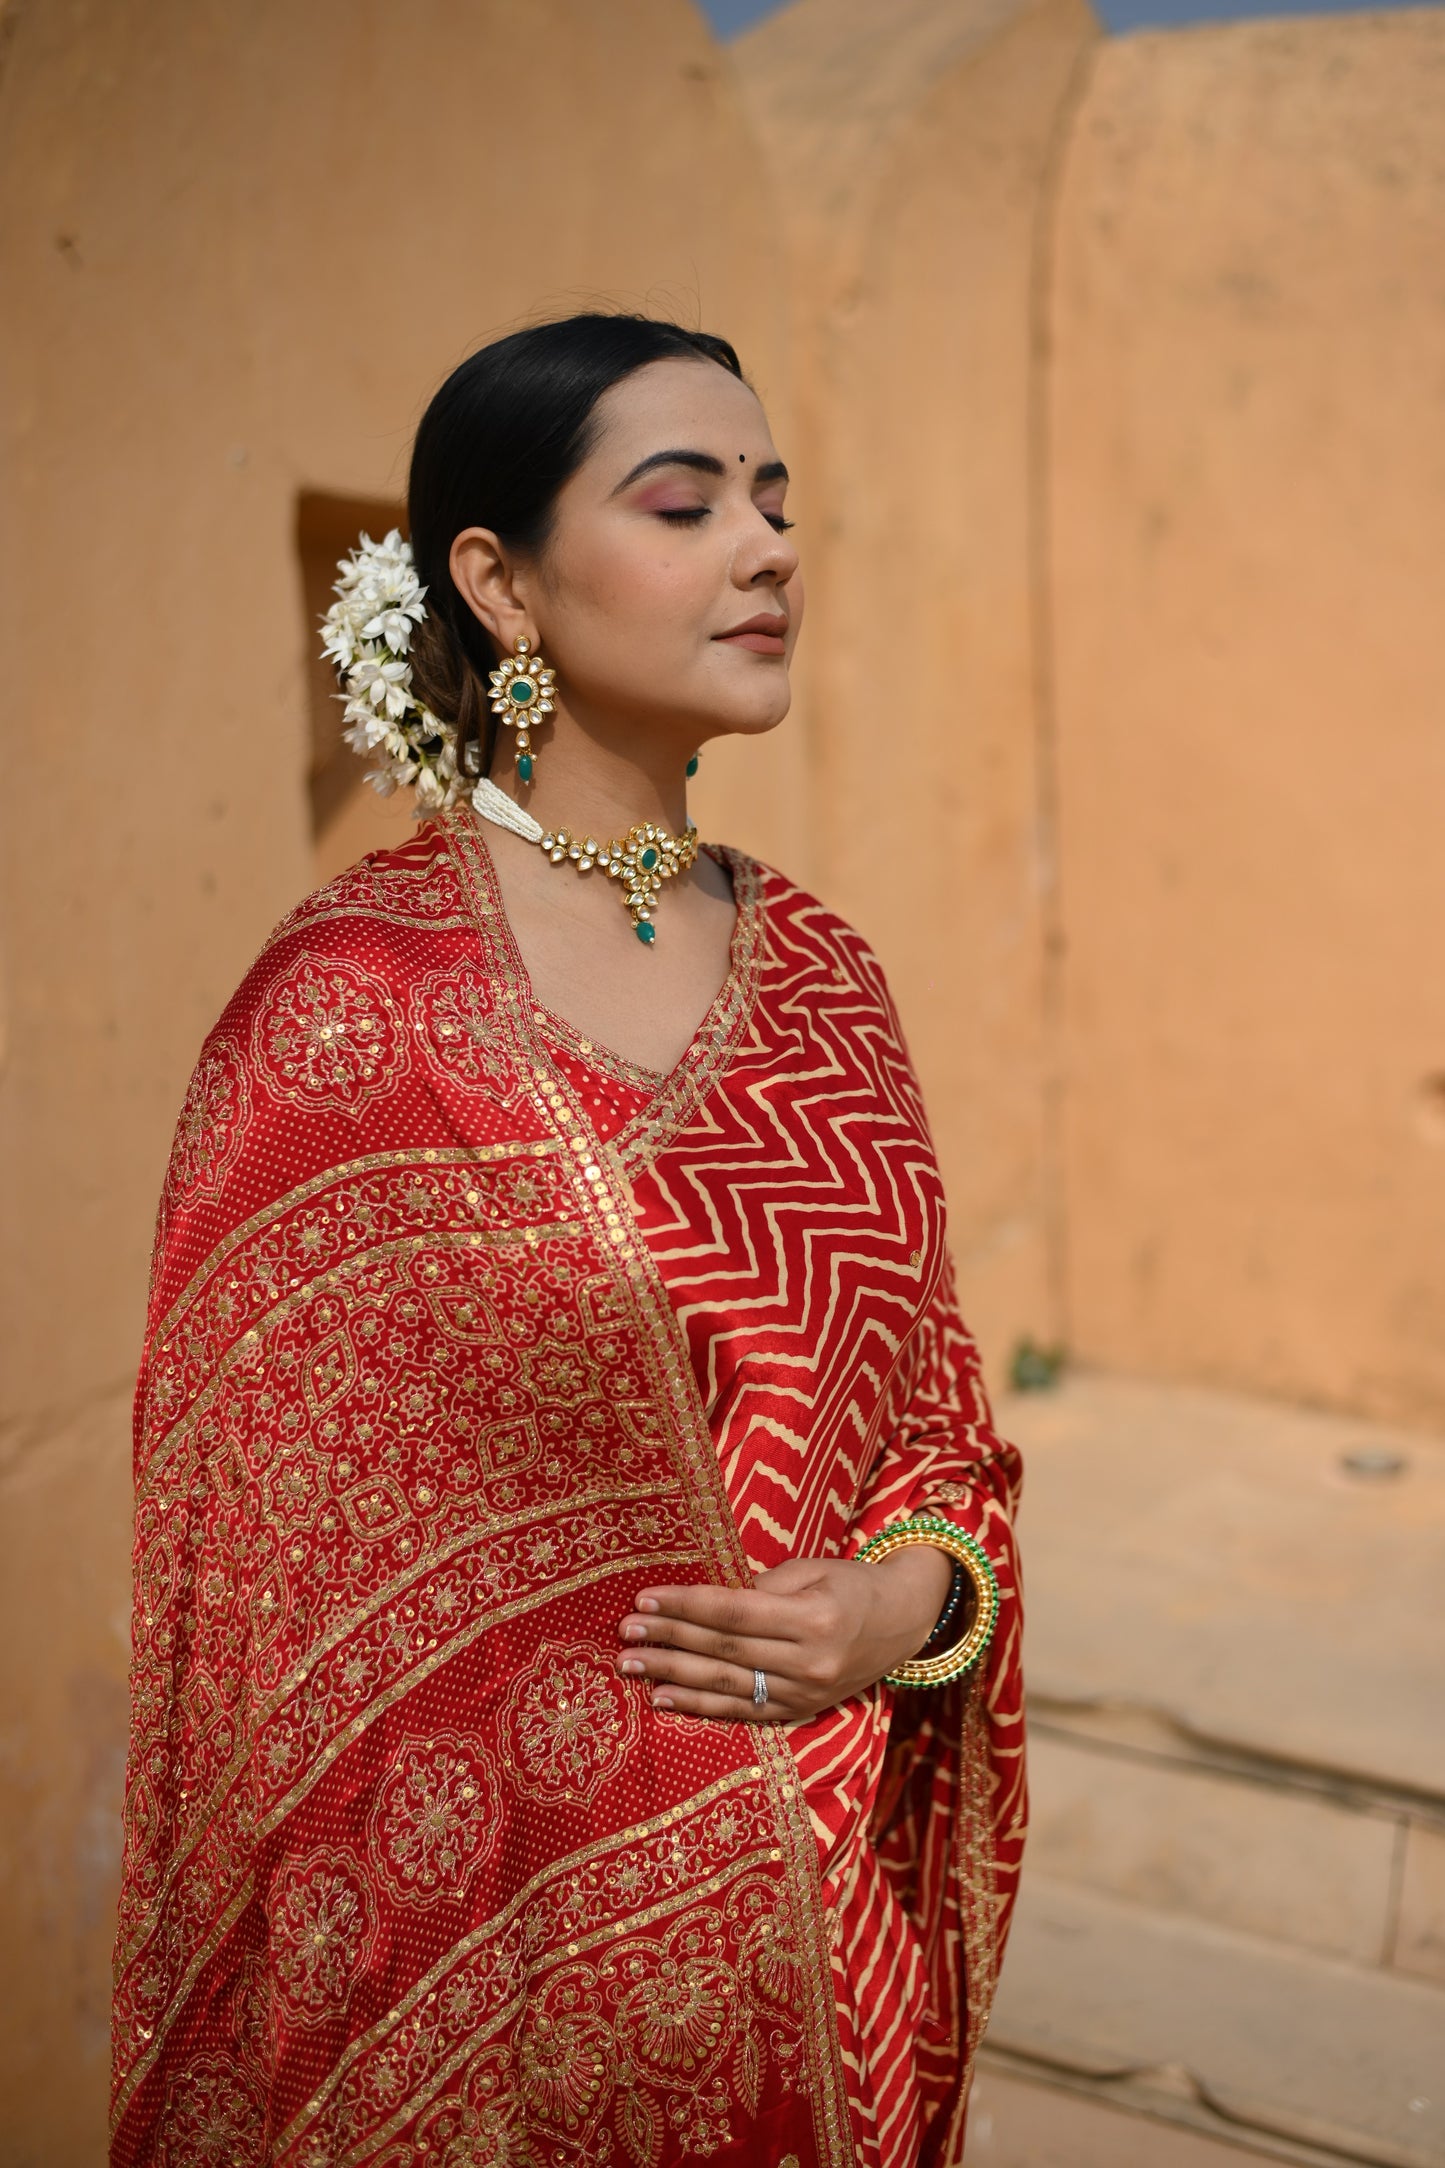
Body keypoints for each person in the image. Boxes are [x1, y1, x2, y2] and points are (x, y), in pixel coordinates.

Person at [110, 313, 1026, 2168]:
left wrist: (898, 1610)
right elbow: (258, 1636)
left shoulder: (833, 984)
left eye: (774, 501)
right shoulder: (346, 1015)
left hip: (815, 1976)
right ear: (498, 583)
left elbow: (942, 1444)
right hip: (466, 1995)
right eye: (684, 505)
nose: (769, 546)